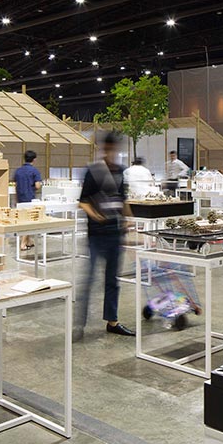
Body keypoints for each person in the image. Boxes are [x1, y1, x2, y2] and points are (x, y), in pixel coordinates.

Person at [77, 132, 134, 338]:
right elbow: (83, 201)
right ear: (103, 149)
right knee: (89, 279)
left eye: (113, 149)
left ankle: (112, 321)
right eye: (107, 149)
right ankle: (79, 324)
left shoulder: (121, 171)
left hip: (115, 233)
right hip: (96, 234)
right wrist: (96, 215)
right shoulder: (93, 171)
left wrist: (128, 219)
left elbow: (122, 199)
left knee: (112, 279)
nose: (111, 153)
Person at [14, 150, 43, 251]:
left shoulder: (18, 171)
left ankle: (29, 241)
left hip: (20, 198)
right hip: (30, 198)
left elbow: (16, 185)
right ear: (34, 160)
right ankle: (23, 244)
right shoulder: (34, 171)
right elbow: (37, 185)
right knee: (29, 221)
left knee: (22, 219)